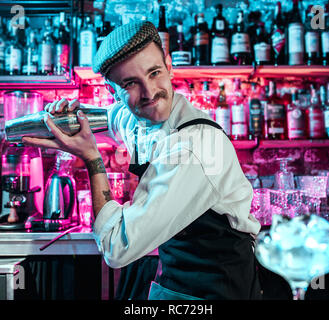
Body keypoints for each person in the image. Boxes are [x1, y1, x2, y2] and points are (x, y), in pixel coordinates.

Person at [23, 20, 262, 300]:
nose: (149, 93)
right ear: (114, 92)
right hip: (177, 285)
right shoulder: (138, 119)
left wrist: (92, 158)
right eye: (130, 83)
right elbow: (108, 119)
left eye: (155, 72)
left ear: (169, 66)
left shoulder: (194, 144)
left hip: (218, 291)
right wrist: (63, 115)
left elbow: (116, 248)